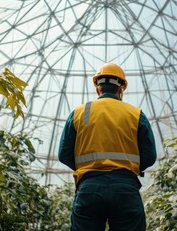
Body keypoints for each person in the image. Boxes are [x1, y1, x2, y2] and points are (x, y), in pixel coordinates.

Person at [58, 62, 157, 231]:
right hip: (125, 189)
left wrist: (87, 168)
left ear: (98, 89)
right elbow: (150, 155)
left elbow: (64, 154)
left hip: (89, 189)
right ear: (121, 90)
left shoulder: (79, 112)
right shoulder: (135, 114)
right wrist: (129, 168)